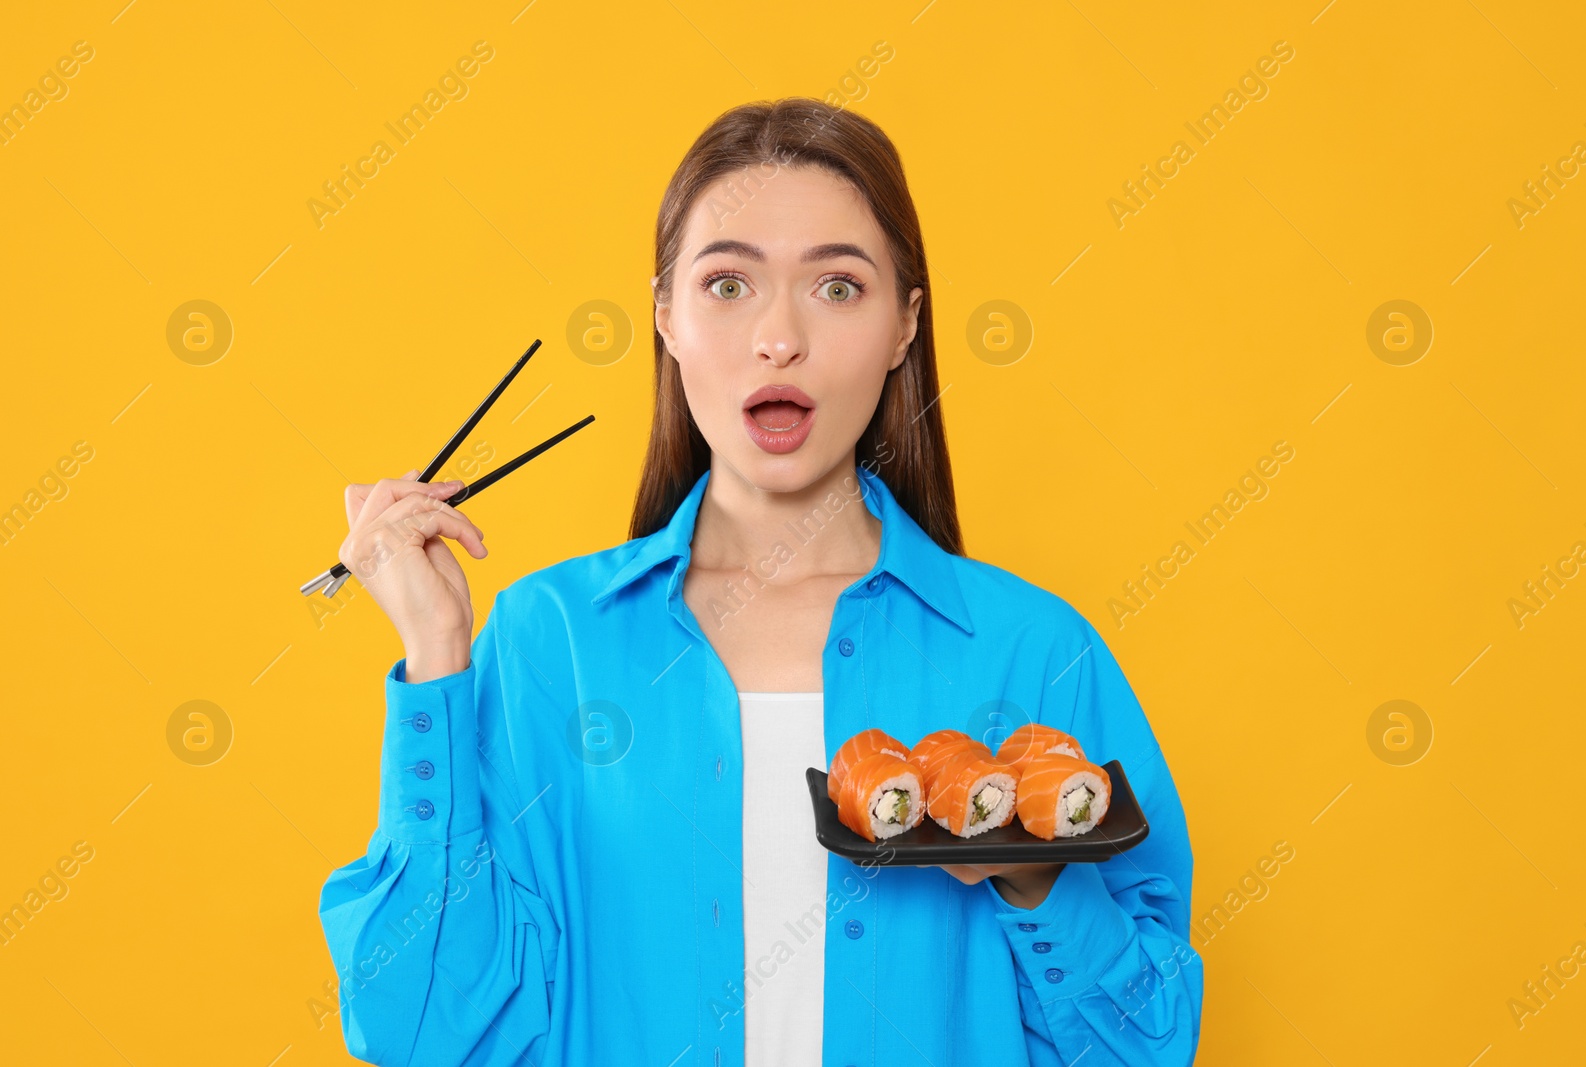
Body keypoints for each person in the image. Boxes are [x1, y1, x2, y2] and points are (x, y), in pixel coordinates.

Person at [318, 97, 1202, 1066]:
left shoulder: (1032, 646)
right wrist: (437, 659)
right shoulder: (548, 638)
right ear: (666, 316)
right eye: (729, 283)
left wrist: (1029, 875)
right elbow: (416, 1026)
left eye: (836, 287)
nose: (779, 336)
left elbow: (1144, 1047)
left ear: (906, 324)